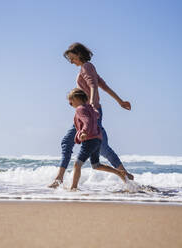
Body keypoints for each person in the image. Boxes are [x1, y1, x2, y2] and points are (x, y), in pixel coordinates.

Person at [49, 43, 133, 188]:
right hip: (91, 111)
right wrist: (120, 101)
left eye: (72, 57)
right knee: (101, 147)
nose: (71, 61)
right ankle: (126, 178)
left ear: (79, 53)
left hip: (88, 111)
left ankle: (59, 180)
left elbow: (94, 86)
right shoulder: (88, 67)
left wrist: (92, 105)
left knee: (73, 142)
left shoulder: (86, 67)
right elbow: (103, 86)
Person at [66, 88, 126, 190]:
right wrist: (91, 108)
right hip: (97, 139)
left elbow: (87, 121)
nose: (70, 104)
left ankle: (73, 188)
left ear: (76, 98)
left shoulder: (80, 109)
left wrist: (84, 131)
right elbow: (97, 115)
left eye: (71, 101)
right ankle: (119, 172)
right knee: (96, 165)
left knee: (77, 164)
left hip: (89, 140)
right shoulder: (89, 108)